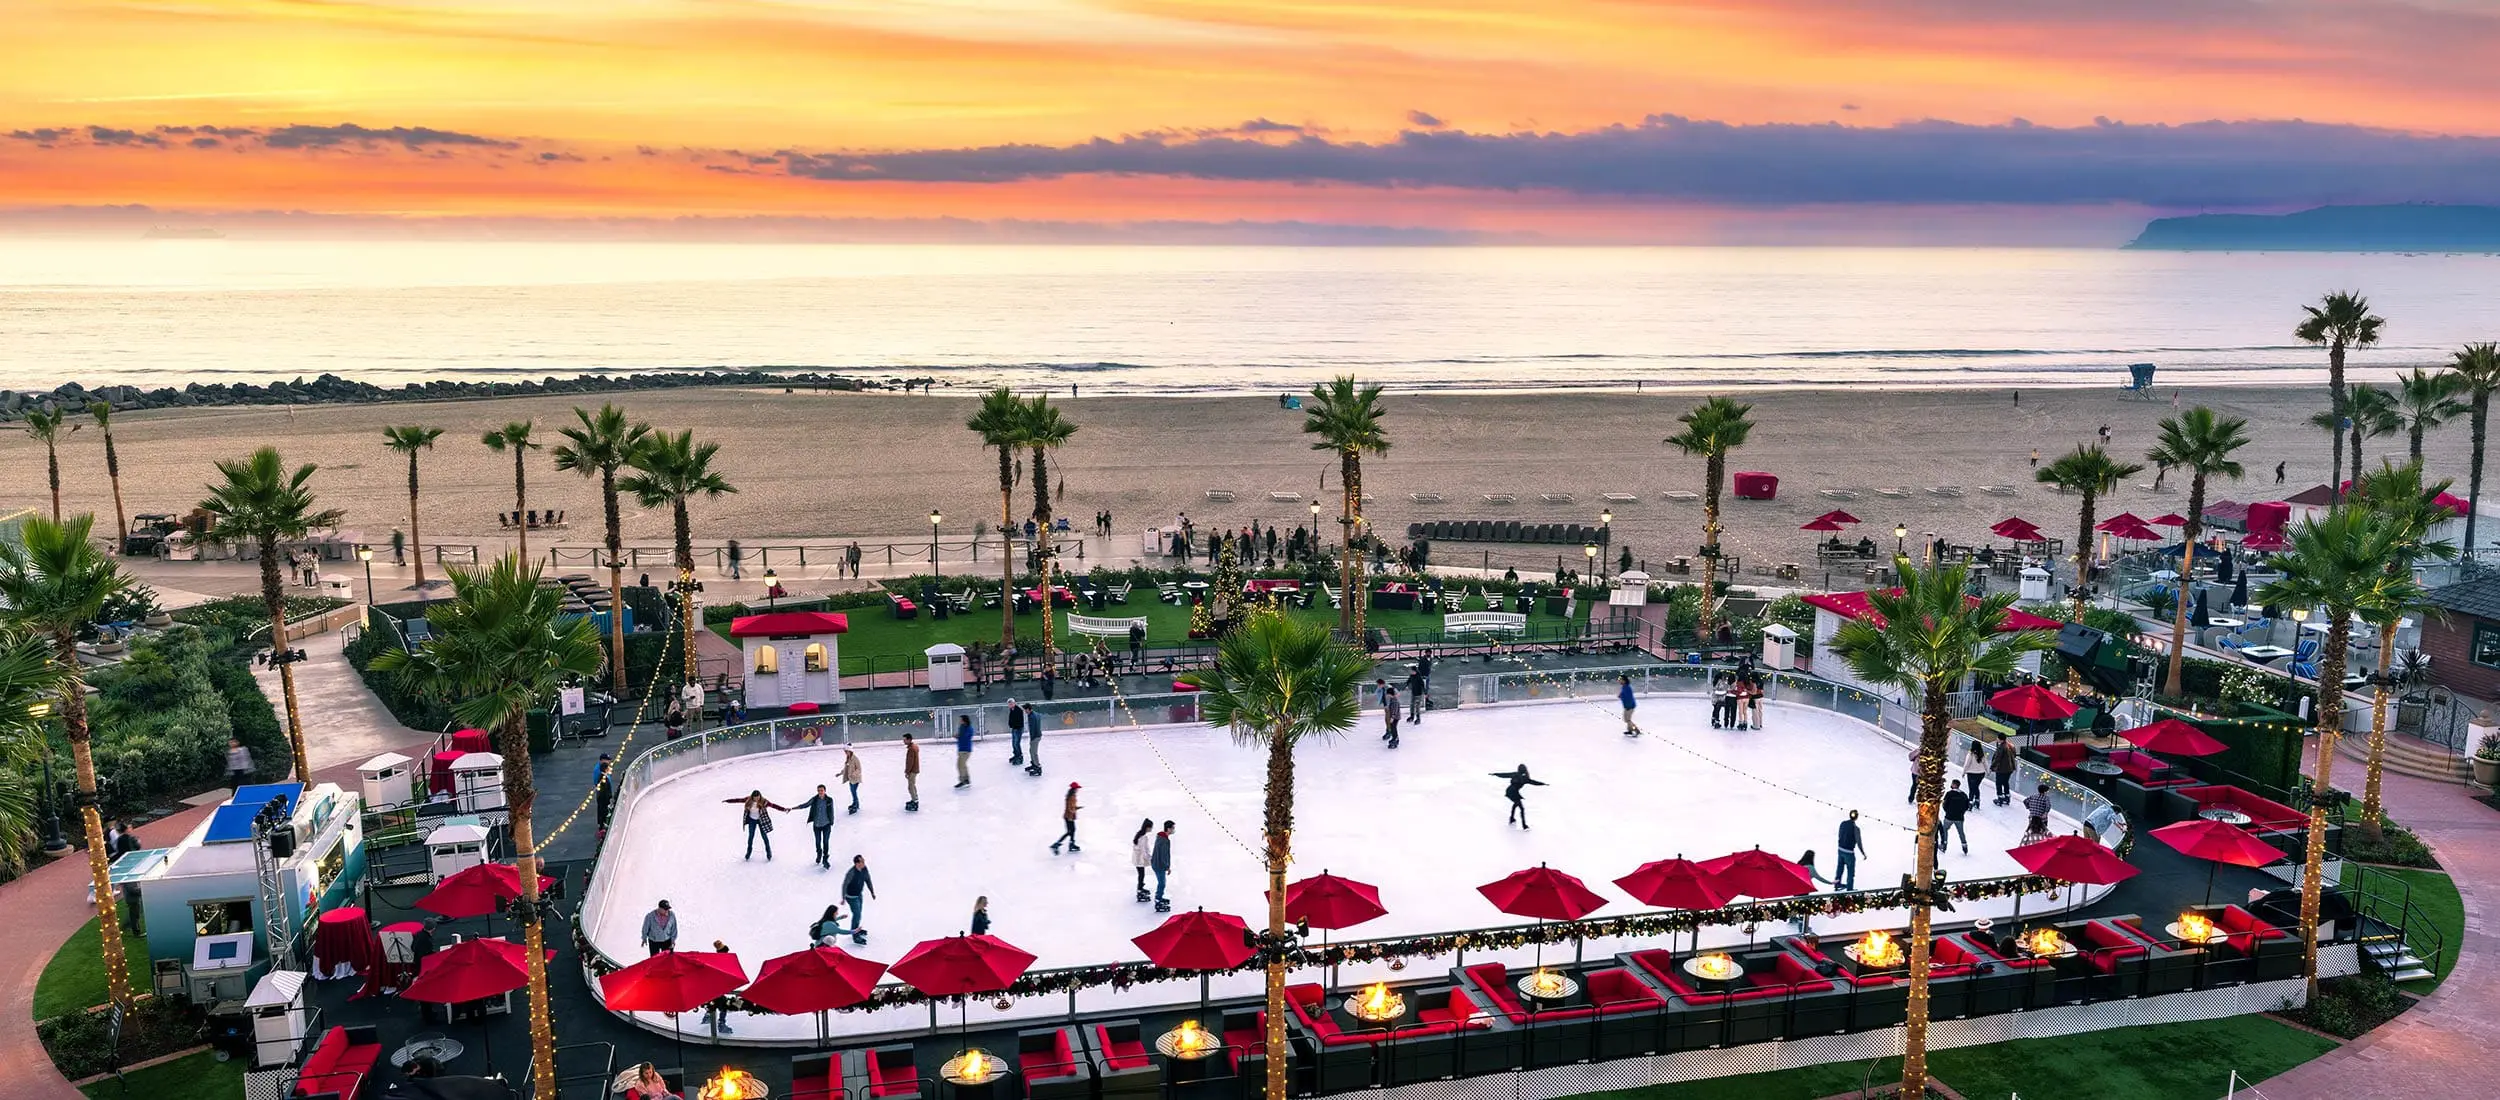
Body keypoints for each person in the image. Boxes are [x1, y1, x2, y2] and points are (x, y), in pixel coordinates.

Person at [724, 790, 789, 860]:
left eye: (758, 797)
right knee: (751, 837)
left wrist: (784, 809)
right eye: (755, 798)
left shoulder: (764, 801)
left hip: (761, 820)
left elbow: (774, 806)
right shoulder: (748, 800)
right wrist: (728, 801)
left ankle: (768, 852)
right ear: (752, 797)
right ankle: (748, 852)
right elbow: (738, 800)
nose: (757, 799)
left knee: (764, 836)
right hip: (752, 820)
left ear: (760, 796)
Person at [1490, 765, 1546, 829]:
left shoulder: (1515, 774)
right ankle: (1524, 825)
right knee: (1521, 808)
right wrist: (1543, 784)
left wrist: (1495, 774)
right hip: (1514, 792)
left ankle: (1512, 818)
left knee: (1516, 804)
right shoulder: (1525, 778)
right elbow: (1534, 782)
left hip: (1509, 791)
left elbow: (1504, 775)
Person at [801, 784, 839, 868]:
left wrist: (831, 822)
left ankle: (825, 858)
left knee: (825, 842)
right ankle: (819, 853)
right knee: (818, 842)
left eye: (821, 790)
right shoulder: (814, 799)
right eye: (819, 791)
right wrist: (792, 808)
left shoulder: (829, 800)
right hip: (817, 825)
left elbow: (831, 811)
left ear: (825, 791)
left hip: (826, 825)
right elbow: (806, 805)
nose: (820, 792)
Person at [842, 855, 875, 943]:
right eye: (862, 862)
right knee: (857, 915)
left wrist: (872, 892)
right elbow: (845, 884)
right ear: (857, 863)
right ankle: (855, 935)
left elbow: (868, 880)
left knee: (859, 914)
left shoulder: (864, 869)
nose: (864, 863)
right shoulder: (851, 873)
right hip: (851, 897)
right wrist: (843, 898)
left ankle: (856, 929)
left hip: (859, 894)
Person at [1835, 810, 1867, 891]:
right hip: (1849, 852)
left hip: (1840, 849)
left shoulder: (1842, 823)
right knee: (1850, 872)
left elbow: (1839, 834)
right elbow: (1859, 842)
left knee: (1839, 868)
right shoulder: (1856, 829)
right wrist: (1863, 853)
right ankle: (1849, 889)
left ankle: (1837, 884)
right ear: (1856, 817)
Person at [1939, 779, 1971, 856]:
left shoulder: (1949, 794)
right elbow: (1967, 806)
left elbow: (1944, 804)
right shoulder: (1964, 795)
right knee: (1961, 832)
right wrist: (1961, 812)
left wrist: (1948, 811)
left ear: (1954, 785)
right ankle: (1964, 846)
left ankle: (1944, 844)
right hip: (1959, 817)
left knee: (1945, 830)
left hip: (1949, 816)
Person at [1149, 821, 1175, 911]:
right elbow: (1164, 855)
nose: (1174, 830)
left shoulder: (1161, 837)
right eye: (1173, 828)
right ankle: (1158, 899)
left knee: (1162, 883)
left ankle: (1159, 897)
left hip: (1156, 863)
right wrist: (1167, 867)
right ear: (1168, 829)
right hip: (1159, 865)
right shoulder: (1164, 840)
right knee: (1162, 883)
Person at [1051, 781, 1083, 854]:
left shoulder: (1072, 795)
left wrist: (1077, 808)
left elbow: (1071, 806)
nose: (1078, 790)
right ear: (1074, 789)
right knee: (1070, 831)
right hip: (1069, 816)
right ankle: (1056, 845)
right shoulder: (1071, 797)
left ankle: (1071, 844)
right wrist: (1073, 812)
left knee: (1072, 831)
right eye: (1077, 788)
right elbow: (1069, 808)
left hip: (1069, 816)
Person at [1130, 818, 1156, 903]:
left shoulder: (1139, 834)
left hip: (1137, 859)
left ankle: (1140, 887)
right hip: (1139, 859)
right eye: (1151, 827)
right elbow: (1144, 851)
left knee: (1141, 874)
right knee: (1141, 875)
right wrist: (1150, 859)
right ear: (1147, 827)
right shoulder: (1143, 837)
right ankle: (1140, 889)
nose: (1151, 829)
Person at [1991, 732, 2017, 806]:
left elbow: (1997, 759)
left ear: (2000, 739)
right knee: (2005, 782)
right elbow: (2014, 755)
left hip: (2002, 769)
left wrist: (1992, 767)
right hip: (2010, 768)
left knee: (1998, 783)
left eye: (1997, 738)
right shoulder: (2011, 745)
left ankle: (2000, 798)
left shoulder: (2001, 747)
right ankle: (2007, 797)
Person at [1963, 741, 1989, 812]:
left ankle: (1970, 803)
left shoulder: (1971, 754)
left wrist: (1964, 772)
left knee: (1972, 789)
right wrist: (1987, 771)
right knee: (1976, 787)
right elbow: (1986, 764)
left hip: (1972, 773)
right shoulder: (1982, 754)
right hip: (1981, 773)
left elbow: (1967, 764)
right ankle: (1977, 801)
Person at [902, 732, 922, 811]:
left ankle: (915, 800)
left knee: (911, 786)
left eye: (904, 740)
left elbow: (910, 762)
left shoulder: (911, 749)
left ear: (909, 740)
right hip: (914, 769)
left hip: (912, 770)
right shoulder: (914, 747)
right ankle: (915, 799)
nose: (903, 741)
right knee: (912, 785)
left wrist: (907, 772)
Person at [840, 747, 864, 814]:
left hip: (855, 779)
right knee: (853, 792)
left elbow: (859, 769)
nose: (845, 753)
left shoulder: (855, 759)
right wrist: (840, 773)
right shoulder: (848, 759)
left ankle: (855, 804)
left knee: (853, 792)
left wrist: (854, 774)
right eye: (845, 752)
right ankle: (855, 803)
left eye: (846, 751)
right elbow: (846, 768)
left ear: (850, 751)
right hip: (851, 779)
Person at [955, 714, 975, 788]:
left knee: (960, 765)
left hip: (966, 750)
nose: (960, 721)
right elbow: (960, 736)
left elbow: (965, 737)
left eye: (961, 720)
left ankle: (963, 780)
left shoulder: (969, 728)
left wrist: (958, 736)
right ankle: (966, 779)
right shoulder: (961, 727)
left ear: (964, 720)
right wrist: (957, 736)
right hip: (961, 748)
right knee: (962, 765)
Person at [1023, 703, 1044, 773]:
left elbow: (1032, 728)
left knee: (1033, 752)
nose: (1025, 711)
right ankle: (1034, 764)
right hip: (1038, 735)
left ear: (1028, 709)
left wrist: (1032, 738)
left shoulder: (1031, 717)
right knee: (1031, 751)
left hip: (1035, 736)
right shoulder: (1036, 714)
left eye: (1025, 710)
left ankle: (1038, 767)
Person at [1006, 697, 1026, 765]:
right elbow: (1011, 718)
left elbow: (1019, 720)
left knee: (1016, 743)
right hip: (1014, 728)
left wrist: (1014, 726)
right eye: (1009, 704)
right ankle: (1016, 755)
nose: (1010, 705)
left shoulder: (1018, 710)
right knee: (1013, 743)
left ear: (1014, 703)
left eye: (1011, 704)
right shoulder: (1012, 709)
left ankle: (1020, 757)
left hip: (1018, 729)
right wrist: (1010, 725)